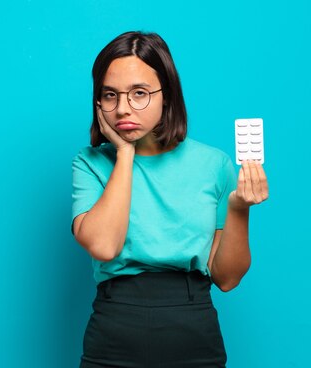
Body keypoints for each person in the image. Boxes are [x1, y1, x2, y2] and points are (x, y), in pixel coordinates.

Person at [71, 31, 269, 368]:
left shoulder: (213, 165)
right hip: (115, 326)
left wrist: (239, 209)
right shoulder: (90, 163)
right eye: (110, 95)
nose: (122, 109)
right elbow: (104, 246)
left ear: (167, 95)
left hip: (192, 325)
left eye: (139, 94)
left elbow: (227, 278)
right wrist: (124, 153)